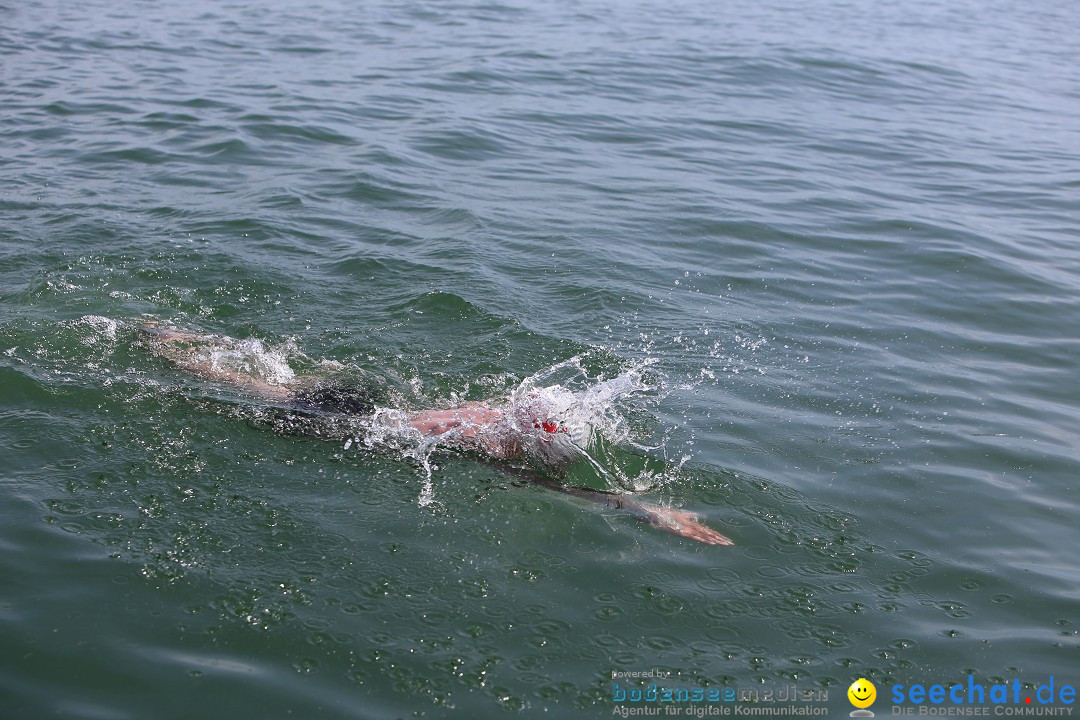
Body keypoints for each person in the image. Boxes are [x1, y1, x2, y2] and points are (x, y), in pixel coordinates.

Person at [140, 325, 733, 545]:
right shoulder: (496, 448)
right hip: (352, 427)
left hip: (376, 408)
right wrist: (641, 509)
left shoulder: (502, 412)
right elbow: (571, 493)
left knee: (279, 380)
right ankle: (174, 357)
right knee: (247, 396)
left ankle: (183, 341)